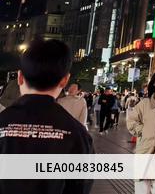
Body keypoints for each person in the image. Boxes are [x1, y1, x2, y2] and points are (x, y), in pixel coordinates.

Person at [0, 38, 94, 194]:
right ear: (64, 80)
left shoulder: (2, 123)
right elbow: (81, 186)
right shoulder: (77, 133)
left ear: (20, 77)